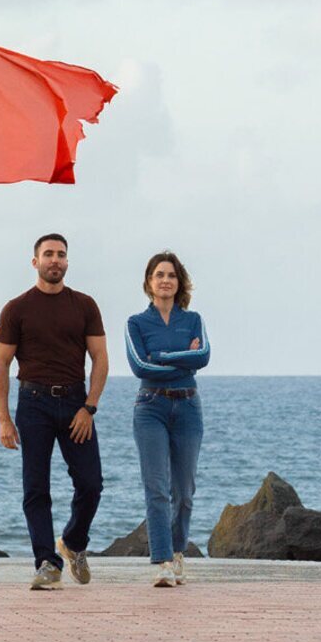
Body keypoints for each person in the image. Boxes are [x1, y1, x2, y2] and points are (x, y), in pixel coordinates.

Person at [0, 233, 109, 590]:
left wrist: (89, 407)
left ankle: (73, 543)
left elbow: (100, 359)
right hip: (34, 404)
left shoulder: (85, 305)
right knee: (35, 488)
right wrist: (4, 418)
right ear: (35, 262)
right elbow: (0, 364)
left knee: (91, 484)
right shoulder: (17, 308)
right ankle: (47, 562)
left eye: (60, 255)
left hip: (76, 405)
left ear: (67, 262)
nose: (54, 260)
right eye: (48, 254)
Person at [124, 251, 210, 588]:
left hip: (188, 408)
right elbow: (139, 367)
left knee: (184, 490)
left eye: (171, 275)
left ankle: (177, 554)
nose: (165, 280)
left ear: (179, 282)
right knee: (156, 487)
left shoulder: (193, 320)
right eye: (159, 275)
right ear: (148, 282)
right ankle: (162, 562)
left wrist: (161, 357)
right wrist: (181, 359)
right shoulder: (136, 323)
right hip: (150, 408)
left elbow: (202, 356)